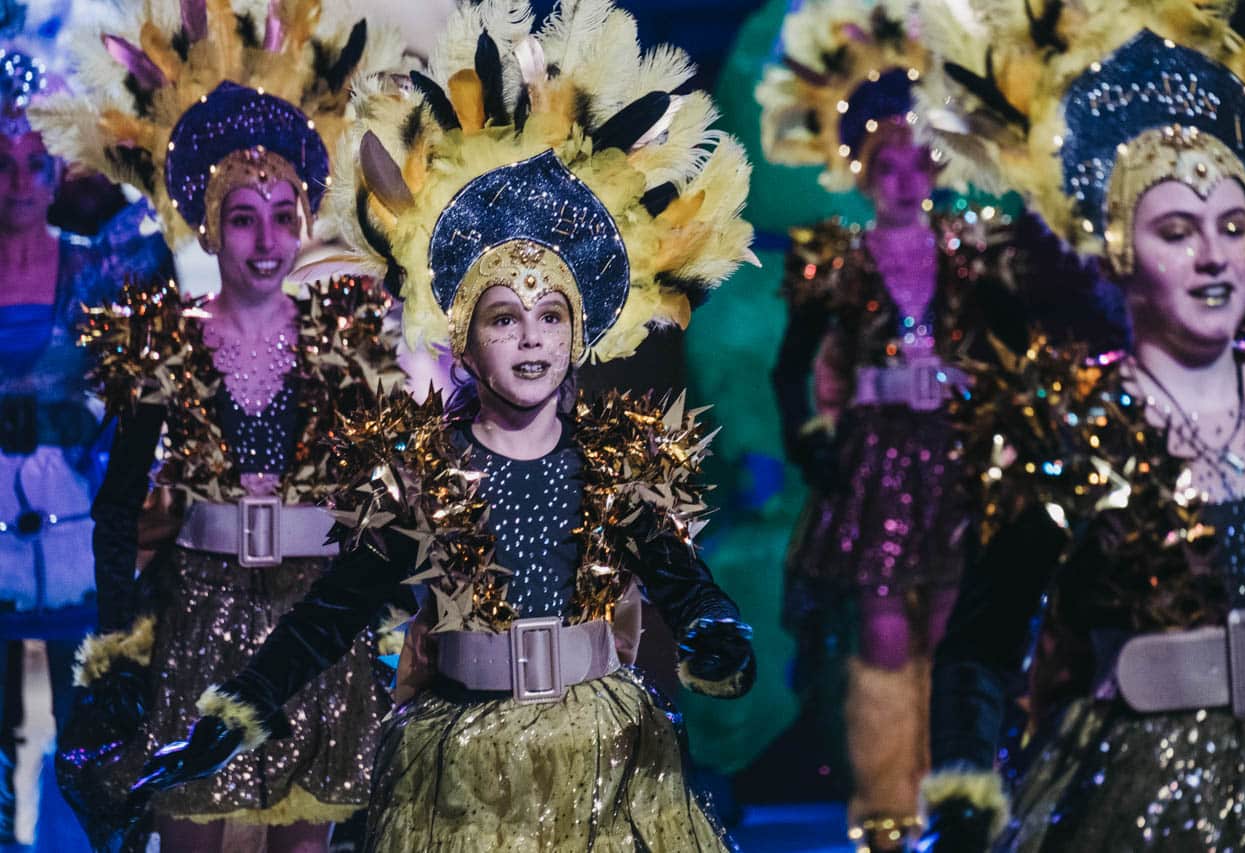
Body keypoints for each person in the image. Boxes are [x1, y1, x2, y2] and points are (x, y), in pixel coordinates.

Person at [123, 1, 759, 850]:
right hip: (466, 776)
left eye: (550, 318)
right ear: (464, 340)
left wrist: (716, 625)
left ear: (577, 336)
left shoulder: (613, 466)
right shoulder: (428, 474)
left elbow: (679, 576)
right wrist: (237, 709)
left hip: (602, 761)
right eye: (504, 318)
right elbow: (333, 612)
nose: (530, 339)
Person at [30, 2, 404, 849]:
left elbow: (378, 501)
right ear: (208, 226)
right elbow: (118, 504)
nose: (266, 240)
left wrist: (377, 617)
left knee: (303, 837)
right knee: (194, 828)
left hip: (311, 628)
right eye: (243, 217)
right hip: (199, 619)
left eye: (283, 215)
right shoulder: (166, 342)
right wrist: (118, 644)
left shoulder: (342, 341)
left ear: (305, 219)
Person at [913, 1, 1245, 849]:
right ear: (1121, 253)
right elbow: (983, 644)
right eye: (1177, 231)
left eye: (1233, 227)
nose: (1213, 255)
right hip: (1143, 788)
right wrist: (964, 793)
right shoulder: (1069, 427)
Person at [757, 2, 1017, 847]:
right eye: (889, 165)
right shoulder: (836, 261)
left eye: (920, 162)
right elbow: (791, 367)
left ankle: (956, 793)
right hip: (874, 462)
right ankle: (886, 801)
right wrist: (811, 438)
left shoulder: (971, 252)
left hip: (953, 456)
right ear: (865, 174)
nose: (906, 179)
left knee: (950, 624)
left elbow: (1011, 347)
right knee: (882, 628)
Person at [0, 42, 171, 848]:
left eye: (31, 165)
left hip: (70, 529)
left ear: (55, 173)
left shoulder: (100, 267)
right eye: (1, 166)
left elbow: (146, 382)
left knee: (82, 721)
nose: (16, 184)